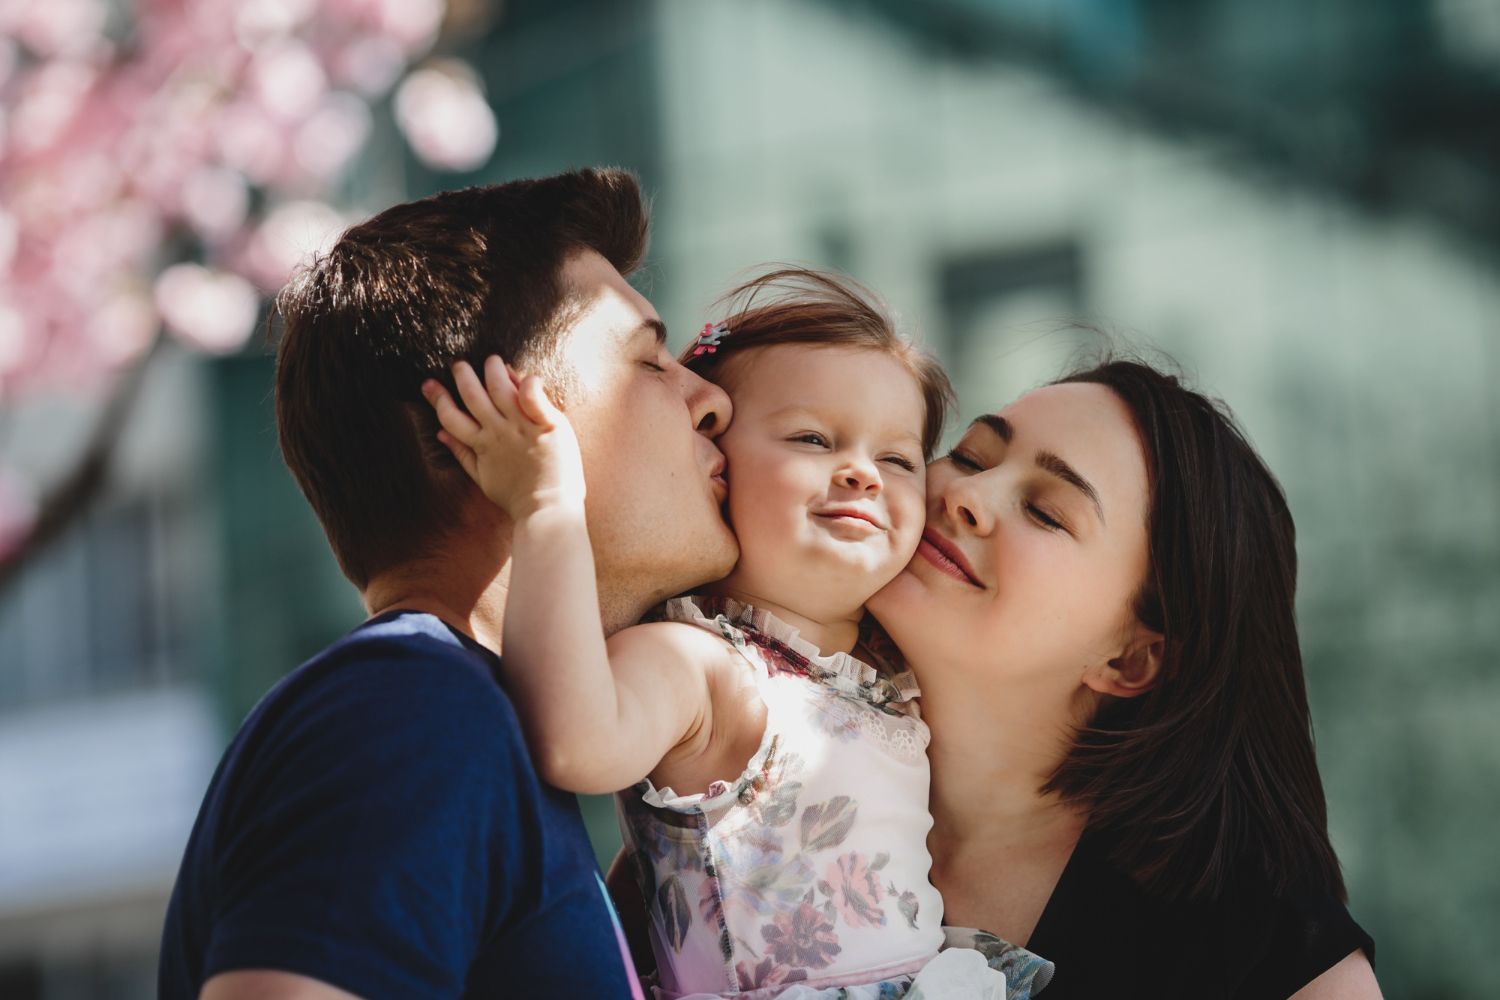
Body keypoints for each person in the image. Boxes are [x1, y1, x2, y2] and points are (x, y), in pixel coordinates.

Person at [158, 169, 739, 999]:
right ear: (469, 427)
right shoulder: (411, 710)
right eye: (650, 361)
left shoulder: (469, 720)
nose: (711, 400)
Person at [423, 269, 1050, 999]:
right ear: (715, 462)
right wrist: (545, 506)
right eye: (813, 439)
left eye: (898, 458)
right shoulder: (702, 665)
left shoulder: (883, 670)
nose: (861, 475)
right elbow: (574, 743)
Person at [864, 359, 1381, 998]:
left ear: (1129, 660)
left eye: (1047, 512)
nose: (966, 495)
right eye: (970, 456)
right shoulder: (752, 746)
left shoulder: (1254, 947)